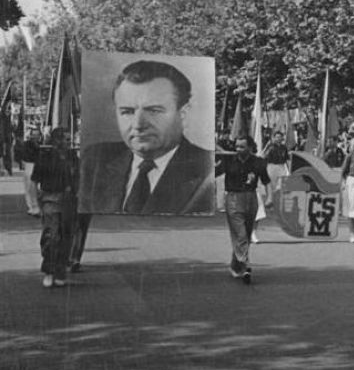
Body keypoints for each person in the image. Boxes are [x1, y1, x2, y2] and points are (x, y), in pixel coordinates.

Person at [79, 60, 215, 215]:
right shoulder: (94, 160)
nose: (138, 124)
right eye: (127, 112)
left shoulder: (207, 172)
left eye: (154, 111)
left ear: (183, 114)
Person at [216, 135, 273, 284]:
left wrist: (270, 197)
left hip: (251, 199)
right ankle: (246, 264)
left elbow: (266, 181)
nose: (238, 149)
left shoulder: (258, 162)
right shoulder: (229, 160)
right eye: (237, 146)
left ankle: (236, 266)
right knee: (240, 234)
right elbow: (213, 173)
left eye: (242, 146)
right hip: (233, 199)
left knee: (245, 235)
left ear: (249, 147)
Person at [31, 128, 78, 288]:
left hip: (69, 201)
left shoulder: (72, 157)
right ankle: (49, 271)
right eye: (66, 139)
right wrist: (34, 205)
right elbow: (34, 181)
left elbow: (78, 178)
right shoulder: (45, 157)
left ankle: (60, 272)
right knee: (52, 235)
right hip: (50, 199)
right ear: (57, 141)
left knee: (66, 237)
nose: (69, 142)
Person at [21, 128, 42, 217]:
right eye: (34, 135)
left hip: (39, 165)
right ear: (31, 135)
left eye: (37, 135)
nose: (35, 137)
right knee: (30, 187)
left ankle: (37, 206)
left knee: (36, 188)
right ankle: (32, 207)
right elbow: (25, 155)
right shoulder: (27, 144)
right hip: (30, 164)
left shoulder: (42, 144)